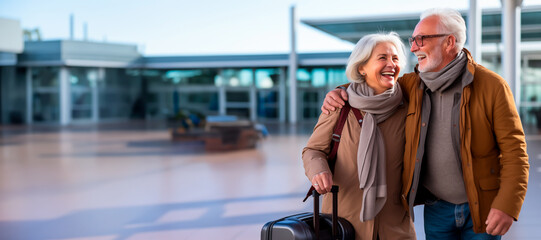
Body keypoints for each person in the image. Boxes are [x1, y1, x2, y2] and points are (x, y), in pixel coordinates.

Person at [320, 8, 529, 240]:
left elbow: (515, 152)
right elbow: (372, 84)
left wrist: (507, 205)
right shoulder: (412, 85)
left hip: (482, 208)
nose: (413, 48)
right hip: (436, 209)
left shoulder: (492, 86)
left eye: (421, 39)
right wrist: (341, 91)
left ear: (449, 42)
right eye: (412, 40)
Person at [302, 32, 416, 240]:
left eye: (395, 58)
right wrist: (319, 171)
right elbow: (313, 150)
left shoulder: (409, 107)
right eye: (382, 58)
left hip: (395, 226)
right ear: (361, 67)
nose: (391, 64)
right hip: (344, 224)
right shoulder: (340, 105)